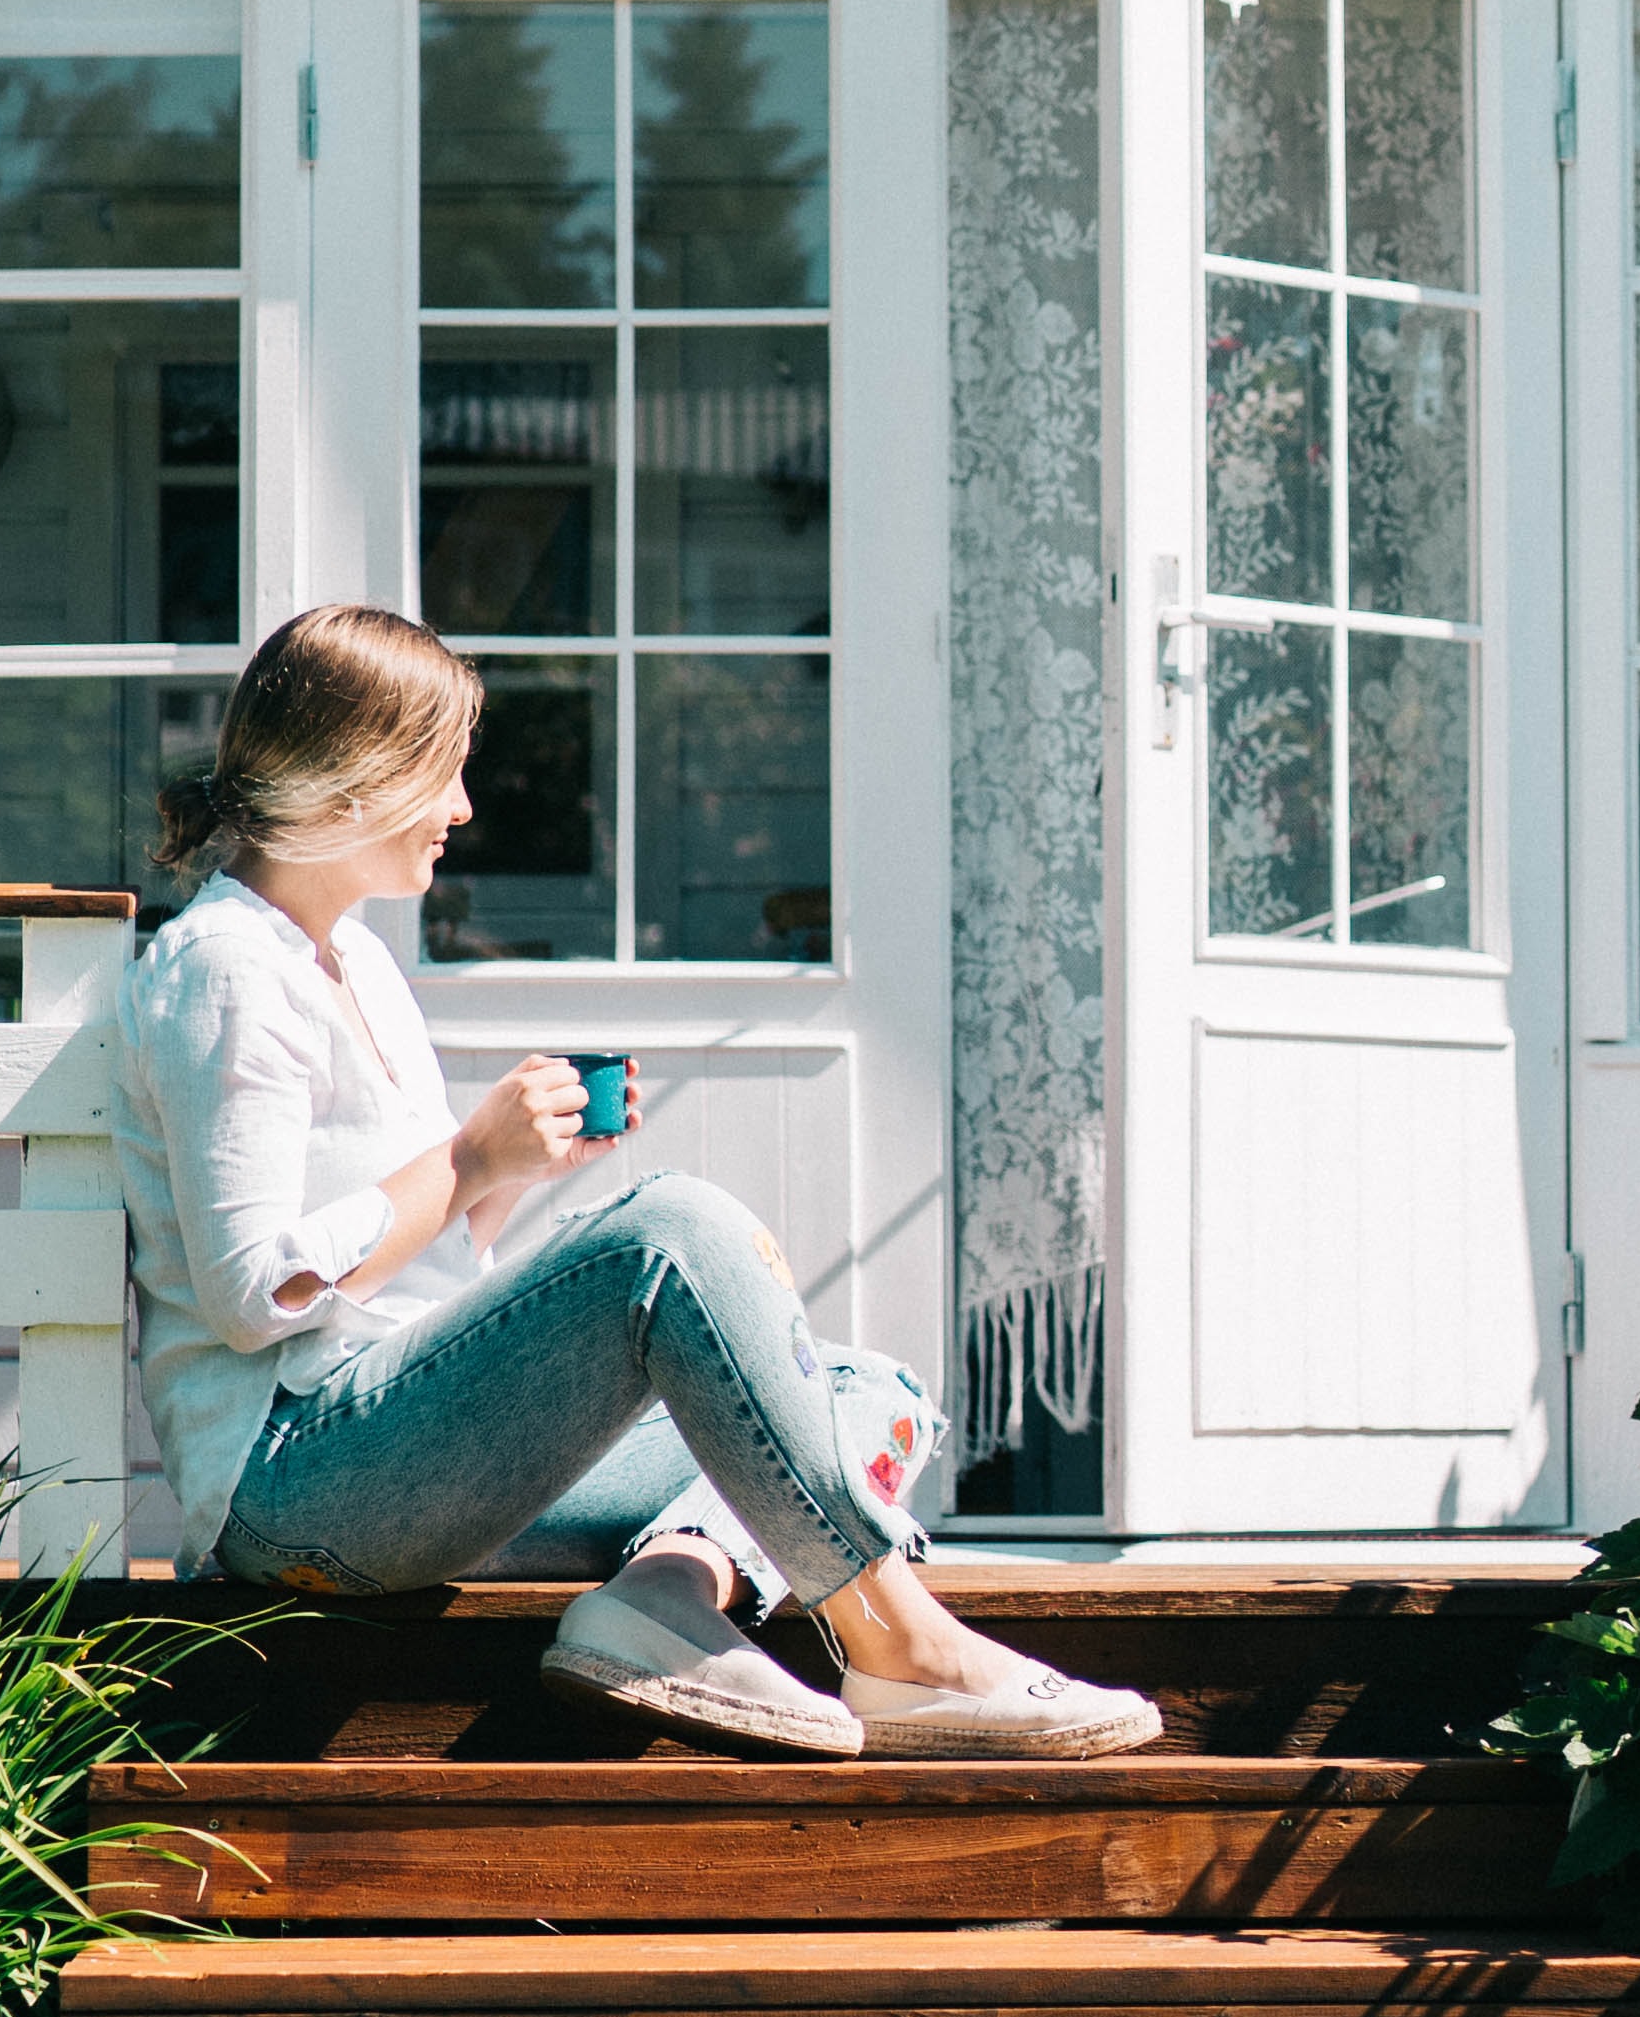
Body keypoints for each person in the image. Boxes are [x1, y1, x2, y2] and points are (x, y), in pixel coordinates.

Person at [96, 603, 1156, 1760]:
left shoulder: (350, 957)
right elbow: (257, 1293)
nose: (461, 810)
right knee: (671, 1232)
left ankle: (666, 1594)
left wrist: (507, 1175)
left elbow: (414, 1271)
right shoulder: (226, 971)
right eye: (444, 776)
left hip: (410, 1458)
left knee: (866, 1390)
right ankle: (902, 1647)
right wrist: (468, 1158)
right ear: (354, 787)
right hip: (297, 1480)